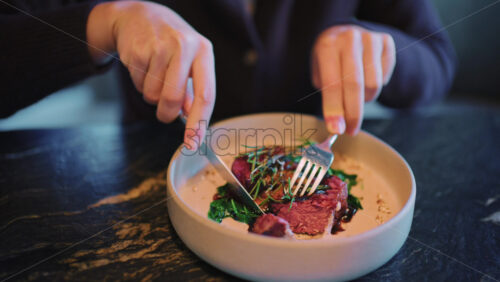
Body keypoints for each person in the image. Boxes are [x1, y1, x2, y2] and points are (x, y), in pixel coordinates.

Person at [0, 0, 456, 150]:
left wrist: (383, 50)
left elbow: (438, 59)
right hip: (152, 175)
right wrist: (106, 21)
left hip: (319, 154)